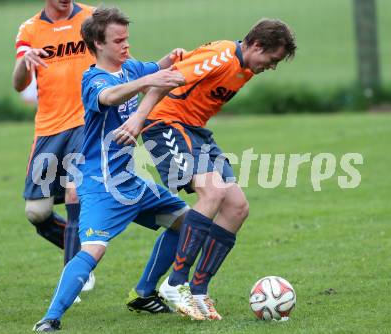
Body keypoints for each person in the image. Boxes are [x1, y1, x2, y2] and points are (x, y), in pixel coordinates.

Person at [32, 7, 200, 332]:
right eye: (118, 41)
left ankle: (144, 293)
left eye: (127, 39)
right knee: (93, 249)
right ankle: (50, 320)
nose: (126, 46)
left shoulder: (130, 68)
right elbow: (109, 96)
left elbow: (159, 68)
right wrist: (149, 81)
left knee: (190, 223)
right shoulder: (94, 79)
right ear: (98, 43)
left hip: (131, 181)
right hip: (100, 184)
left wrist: (170, 59)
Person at [121, 18, 297, 320]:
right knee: (212, 192)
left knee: (238, 207)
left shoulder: (245, 66)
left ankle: (199, 289)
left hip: (194, 131)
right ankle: (176, 284)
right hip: (165, 125)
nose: (272, 66)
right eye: (272, 59)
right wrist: (138, 119)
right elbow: (167, 78)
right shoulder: (223, 55)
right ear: (256, 45)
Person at [12, 0, 97, 299]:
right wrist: (26, 62)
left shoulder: (91, 17)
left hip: (87, 121)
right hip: (49, 128)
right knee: (37, 212)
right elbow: (18, 84)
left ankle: (75, 274)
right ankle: (85, 250)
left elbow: (118, 56)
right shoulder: (30, 29)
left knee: (75, 191)